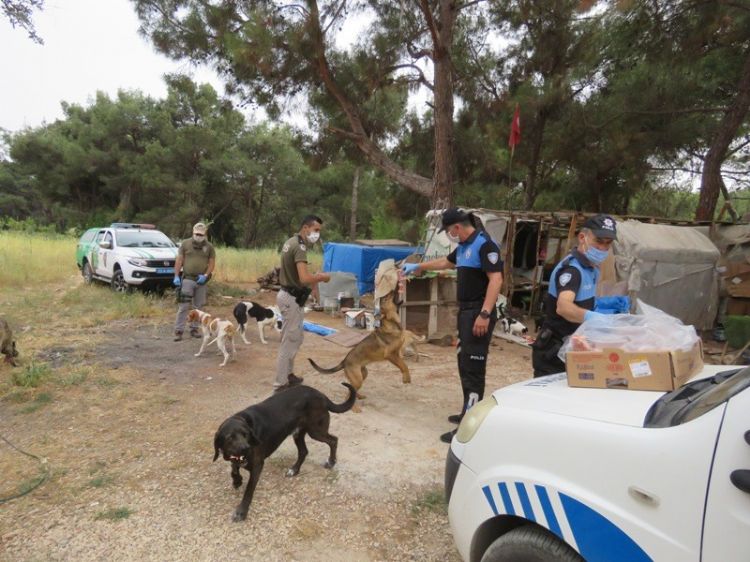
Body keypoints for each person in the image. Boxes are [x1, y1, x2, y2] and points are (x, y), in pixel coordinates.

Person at [402, 208, 503, 443]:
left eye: (448, 231)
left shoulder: (485, 245)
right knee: (463, 363)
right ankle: (467, 410)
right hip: (466, 312)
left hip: (479, 312)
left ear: (457, 227)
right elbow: (446, 262)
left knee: (473, 369)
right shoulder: (466, 246)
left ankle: (470, 426)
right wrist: (419, 267)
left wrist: (485, 314)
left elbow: (496, 279)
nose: (449, 235)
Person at [532, 214, 617, 377]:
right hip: (554, 353)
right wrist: (593, 317)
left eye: (608, 243)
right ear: (582, 237)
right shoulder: (572, 270)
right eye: (599, 241)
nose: (603, 248)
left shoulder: (592, 269)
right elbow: (564, 307)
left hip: (573, 347)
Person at [274, 215, 331, 392]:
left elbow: (299, 275)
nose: (317, 234)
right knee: (289, 340)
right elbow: (304, 278)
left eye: (319, 231)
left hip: (290, 296)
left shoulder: (291, 241)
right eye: (316, 230)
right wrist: (321, 277)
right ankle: (280, 383)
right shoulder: (299, 247)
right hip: (290, 299)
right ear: (305, 228)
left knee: (295, 338)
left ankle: (288, 375)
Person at [173, 222, 216, 341]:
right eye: (197, 234)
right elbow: (179, 260)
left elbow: (212, 263)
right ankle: (179, 330)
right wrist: (176, 276)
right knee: (183, 306)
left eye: (201, 234)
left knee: (199, 307)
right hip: (188, 279)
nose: (199, 236)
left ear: (205, 234)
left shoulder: (209, 247)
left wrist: (206, 275)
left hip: (201, 281)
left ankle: (194, 329)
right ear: (193, 232)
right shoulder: (185, 244)